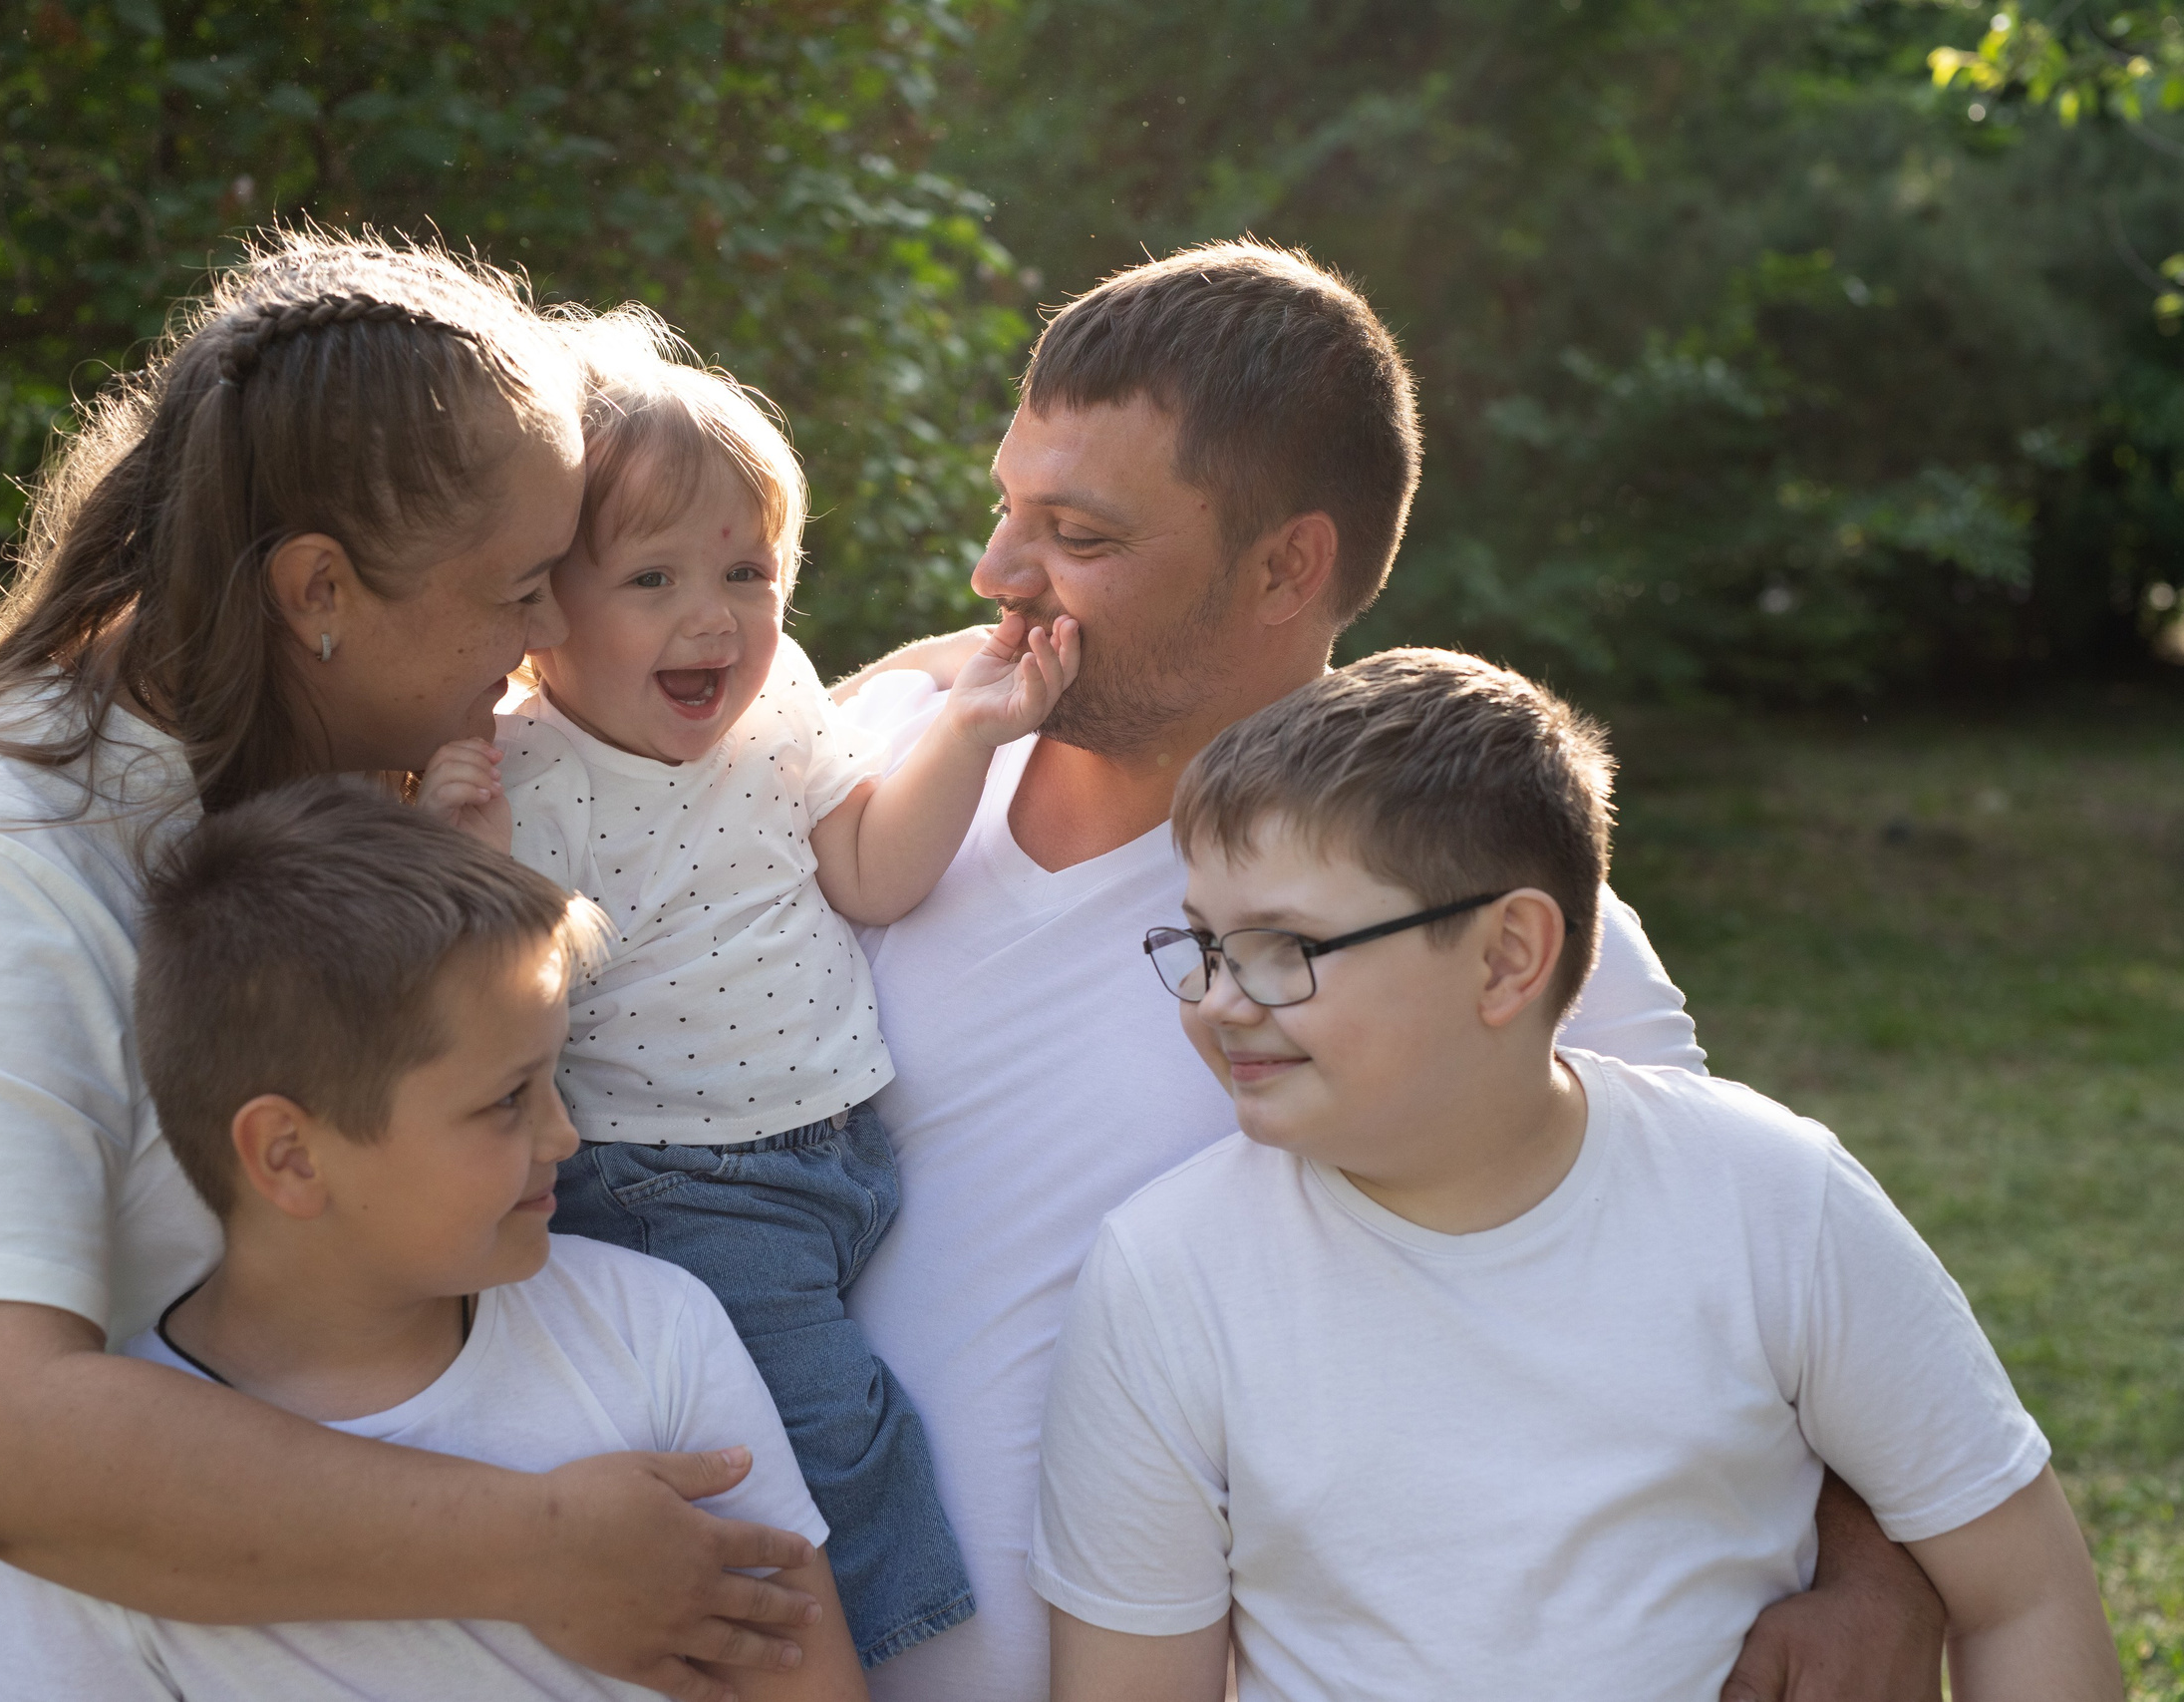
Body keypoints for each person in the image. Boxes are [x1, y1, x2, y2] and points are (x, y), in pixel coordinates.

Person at [833, 237, 1948, 1700]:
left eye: (1081, 536)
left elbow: (1733, 1254)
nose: (997, 574)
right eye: (1007, 511)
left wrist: (1875, 1563)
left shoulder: (1447, 904)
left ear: (1289, 562)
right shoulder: (877, 782)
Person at [0, 235, 821, 1702]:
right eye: (524, 585)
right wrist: (538, 1548)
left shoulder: (379, 767)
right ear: (319, 588)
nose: (550, 639)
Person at [1031, 649, 2122, 1702]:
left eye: (1287, 948)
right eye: (1204, 944)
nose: (1218, 1000)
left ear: (1508, 957)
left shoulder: (1772, 1200)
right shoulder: (1169, 1275)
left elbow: (2020, 1592)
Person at [415, 310, 1081, 1667]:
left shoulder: (775, 698)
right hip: (678, 1182)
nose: (712, 614)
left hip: (843, 1154)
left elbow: (870, 869)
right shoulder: (520, 771)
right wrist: (465, 854)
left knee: (864, 1403)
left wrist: (967, 723)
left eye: (746, 568)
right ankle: (870, 1663)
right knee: (833, 1432)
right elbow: (487, 994)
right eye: (650, 578)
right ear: (541, 613)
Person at [0, 781, 867, 1702]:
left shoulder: (653, 1329)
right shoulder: (91, 1523)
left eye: (553, 1079)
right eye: (507, 1099)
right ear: (290, 1156)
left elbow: (804, 1678)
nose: (564, 1135)